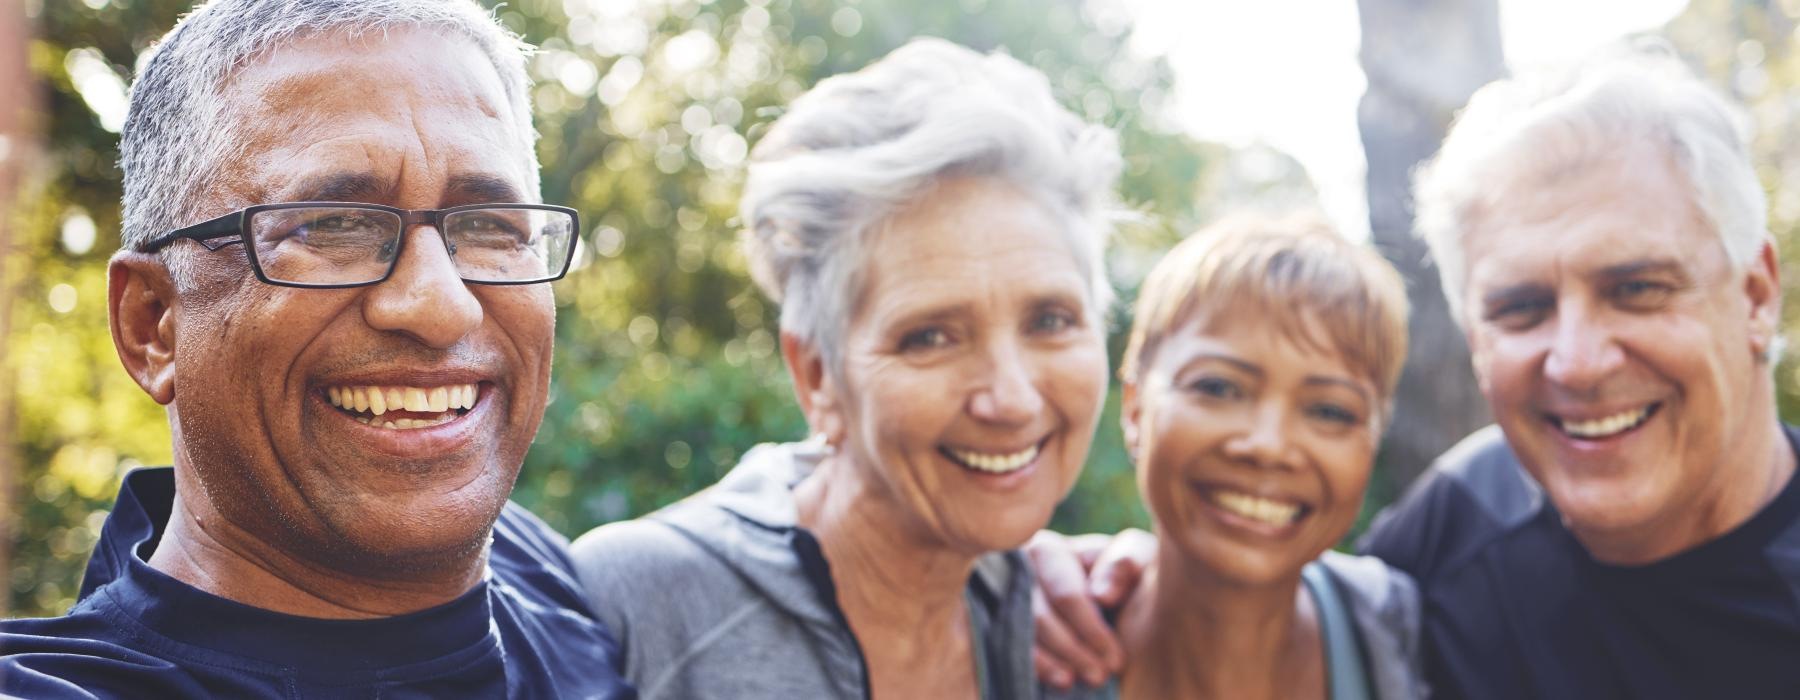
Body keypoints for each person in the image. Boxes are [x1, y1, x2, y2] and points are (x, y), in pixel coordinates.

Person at [1031, 43, 1800, 700]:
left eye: (1636, 290)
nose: (1577, 360)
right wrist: (1096, 573)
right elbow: (1267, 584)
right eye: (1522, 308)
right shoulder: (1463, 523)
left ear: (1757, 294)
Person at [0, 1, 634, 697]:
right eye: (333, 225)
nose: (439, 305)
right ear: (153, 323)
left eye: (489, 225)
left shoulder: (558, 579)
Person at [569, 38, 1121, 700]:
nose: (1011, 398)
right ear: (817, 377)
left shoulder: (1071, 634)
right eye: (931, 337)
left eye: (1051, 321)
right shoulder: (634, 607)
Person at [1043, 217, 1423, 700]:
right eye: (1218, 387)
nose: (1267, 445)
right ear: (1136, 406)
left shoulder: (1402, 634)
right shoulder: (1015, 649)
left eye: (1329, 411)